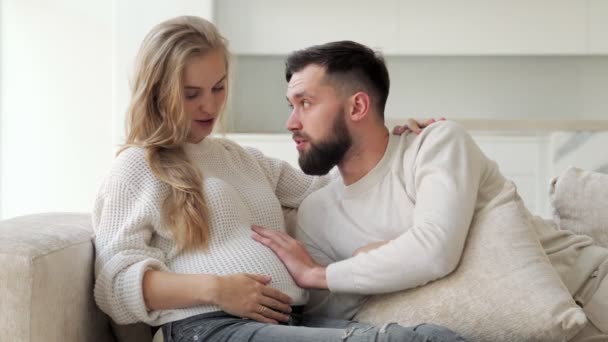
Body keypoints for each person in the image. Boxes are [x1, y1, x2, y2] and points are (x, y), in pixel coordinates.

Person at [92, 16, 467, 342]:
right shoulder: (137, 166)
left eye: (218, 88)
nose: (209, 106)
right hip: (209, 328)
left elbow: (342, 190)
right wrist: (218, 289)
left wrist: (398, 145)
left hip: (287, 323)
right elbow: (113, 285)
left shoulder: (241, 159)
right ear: (159, 92)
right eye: (191, 94)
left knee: (435, 336)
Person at [251, 40, 608, 336]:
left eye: (306, 104)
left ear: (357, 106)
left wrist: (321, 273)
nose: (291, 122)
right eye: (291, 106)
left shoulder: (434, 144)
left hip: (590, 291)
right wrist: (369, 263)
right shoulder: (318, 212)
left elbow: (434, 251)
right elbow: (334, 313)